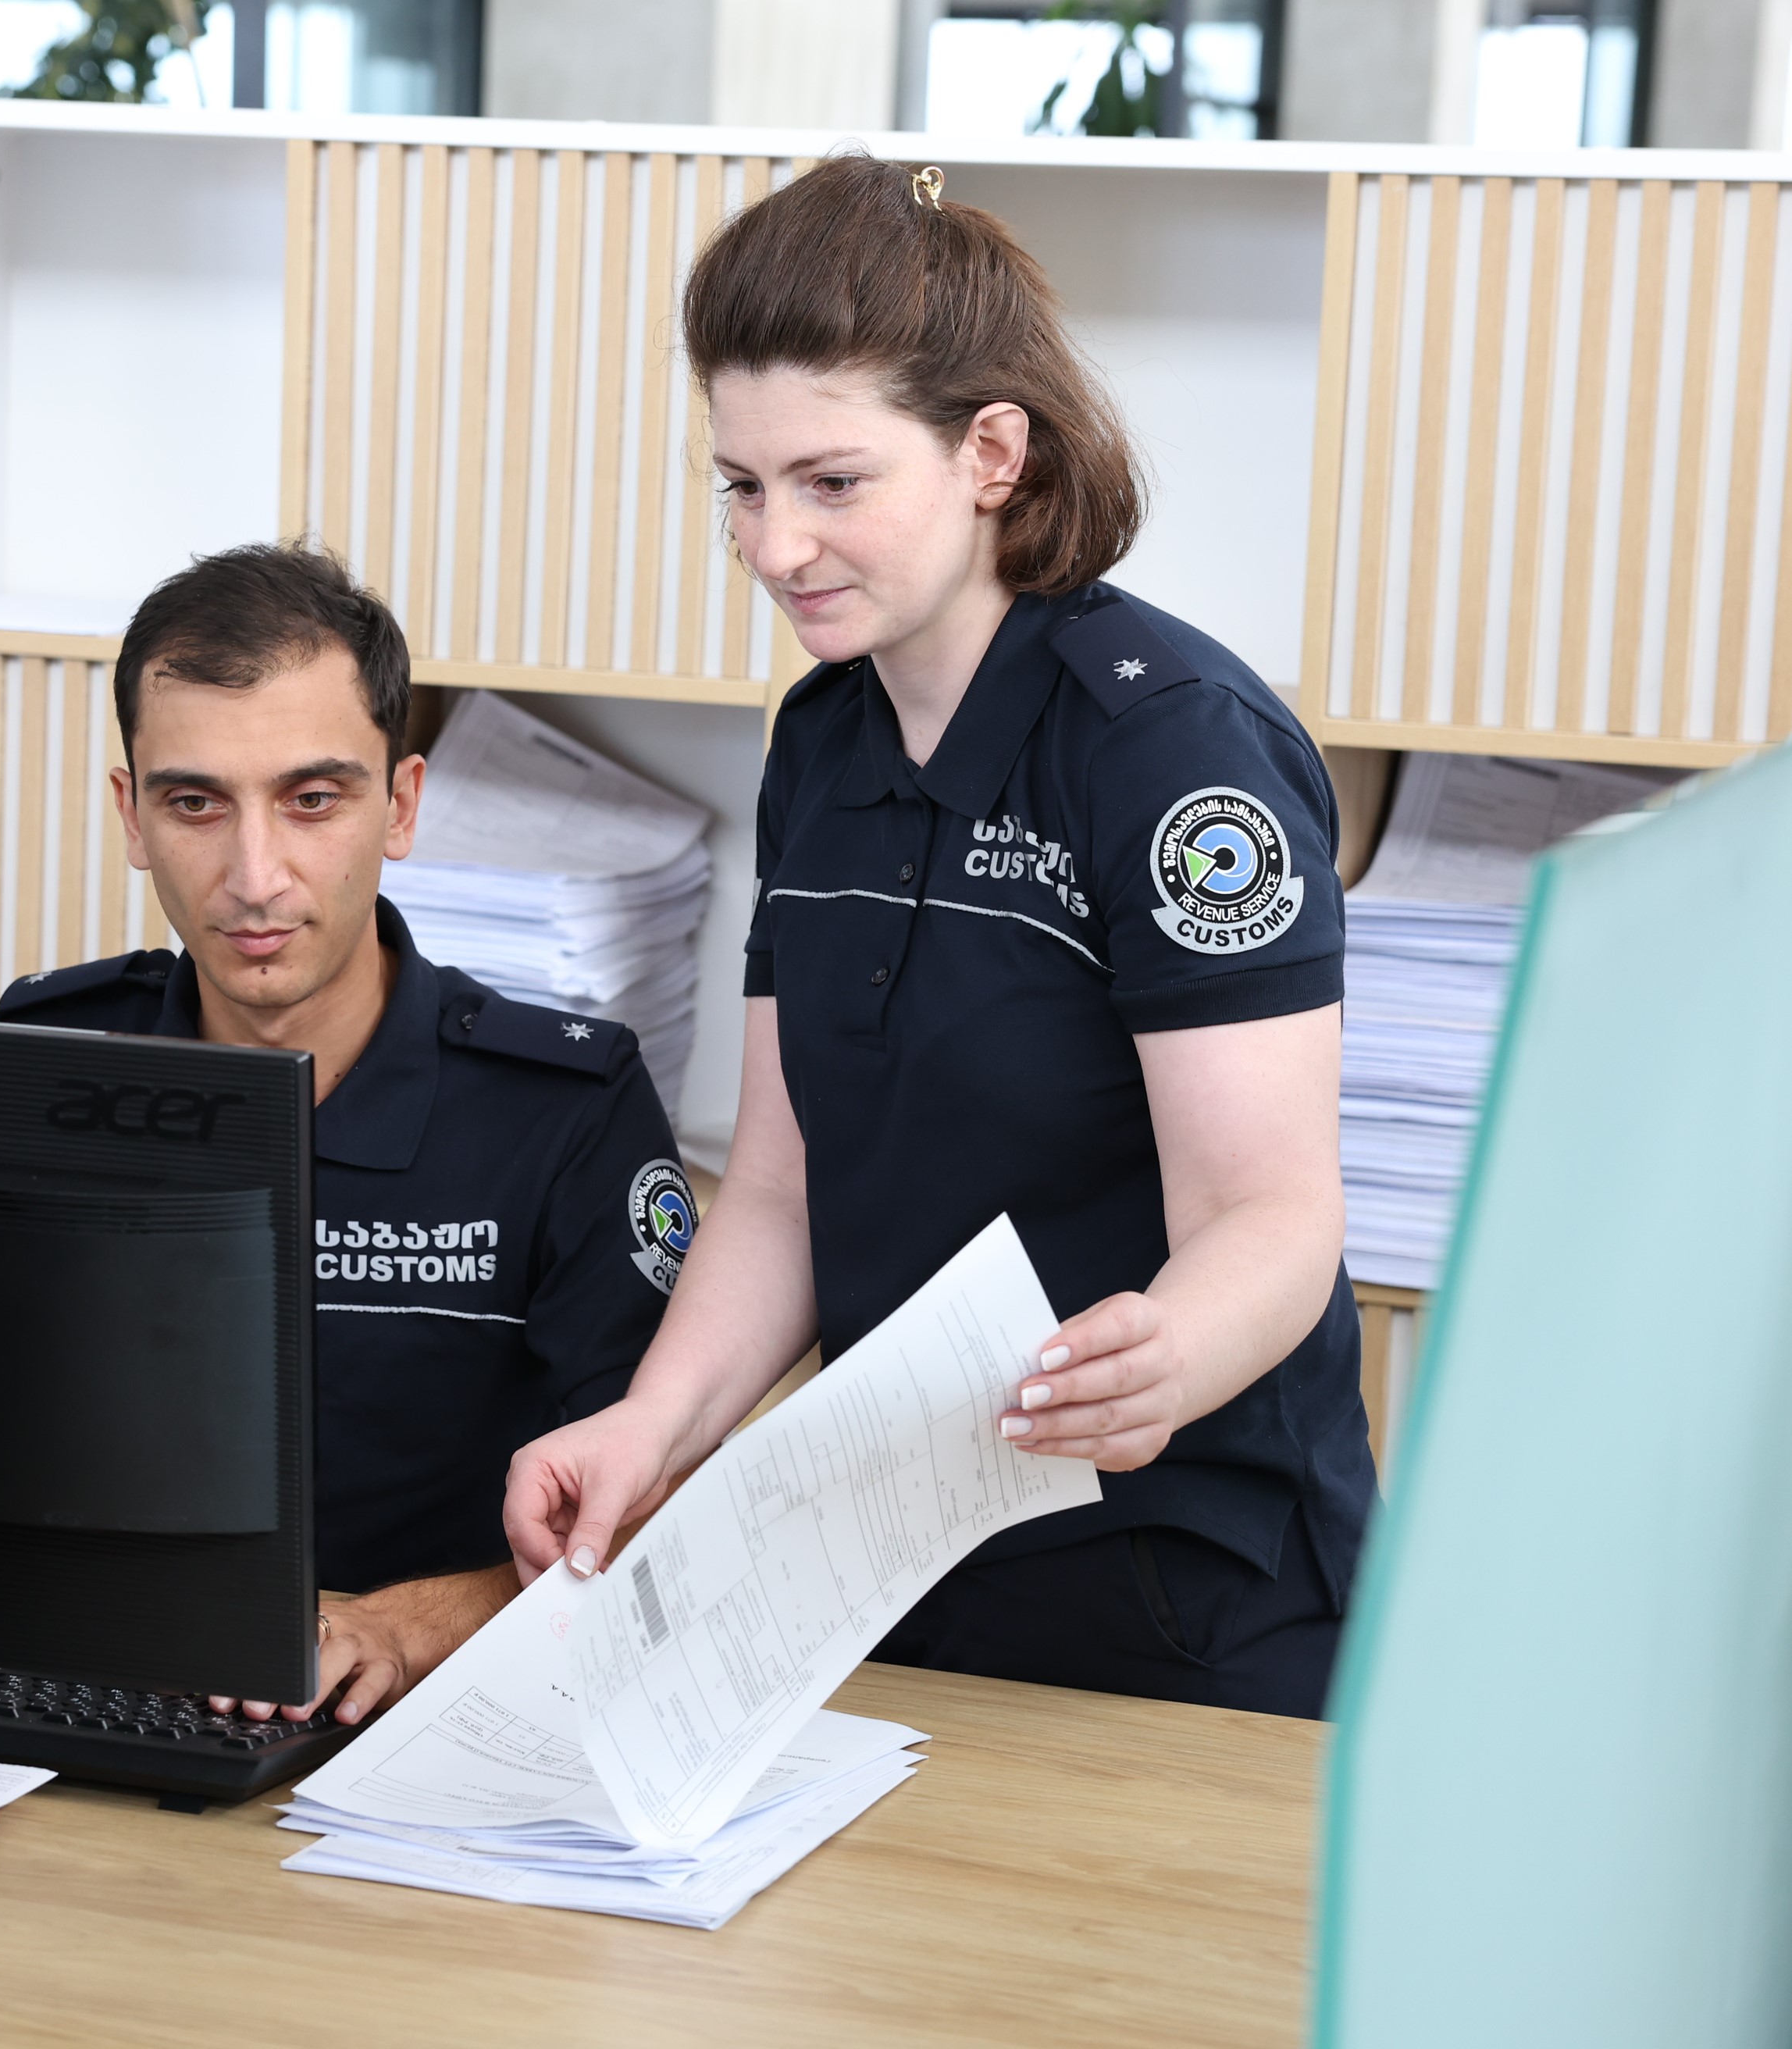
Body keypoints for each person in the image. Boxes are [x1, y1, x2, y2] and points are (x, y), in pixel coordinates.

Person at [501, 155, 1375, 1718]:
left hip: (1186, 1578)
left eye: (831, 483)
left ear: (990, 454)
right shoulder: (820, 742)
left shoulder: (1171, 751)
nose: (776, 548)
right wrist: (654, 1427)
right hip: (901, 1550)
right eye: (743, 487)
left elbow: (1273, 1213)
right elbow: (783, 1191)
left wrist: (1169, 1351)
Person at [0, 543, 695, 1728]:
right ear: (131, 815)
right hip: (102, 1685)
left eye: (311, 800)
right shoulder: (48, 1055)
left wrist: (404, 1629)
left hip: (444, 1709)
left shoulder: (565, 1107)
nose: (254, 877)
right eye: (195, 803)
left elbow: (661, 1503)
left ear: (402, 804)